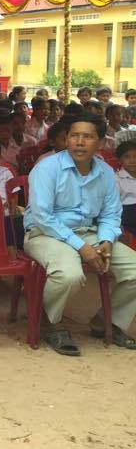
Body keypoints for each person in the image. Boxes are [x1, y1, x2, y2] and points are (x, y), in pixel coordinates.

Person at [24, 113, 136, 355]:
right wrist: (81, 247)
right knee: (69, 275)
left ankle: (106, 322)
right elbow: (43, 217)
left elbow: (111, 213)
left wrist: (106, 240)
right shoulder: (47, 168)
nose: (79, 142)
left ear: (101, 142)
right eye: (74, 136)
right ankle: (51, 322)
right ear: (66, 140)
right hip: (45, 234)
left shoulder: (105, 172)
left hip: (89, 233)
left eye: (87, 137)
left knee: (135, 270)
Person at [116, 141, 136, 237]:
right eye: (127, 157)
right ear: (119, 160)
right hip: (129, 212)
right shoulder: (117, 179)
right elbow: (115, 205)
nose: (132, 161)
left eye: (135, 156)